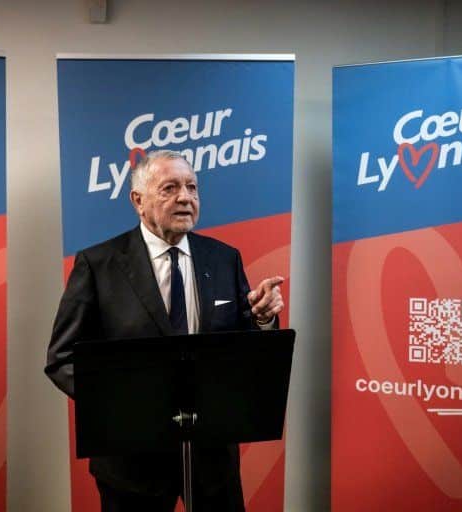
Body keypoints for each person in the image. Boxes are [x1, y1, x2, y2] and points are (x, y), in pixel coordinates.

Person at [45, 149, 284, 512]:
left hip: (211, 458)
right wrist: (123, 406)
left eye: (192, 187)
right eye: (170, 188)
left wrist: (263, 320)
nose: (185, 197)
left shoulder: (224, 258)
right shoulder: (98, 264)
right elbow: (62, 357)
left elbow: (244, 348)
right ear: (138, 201)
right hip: (131, 461)